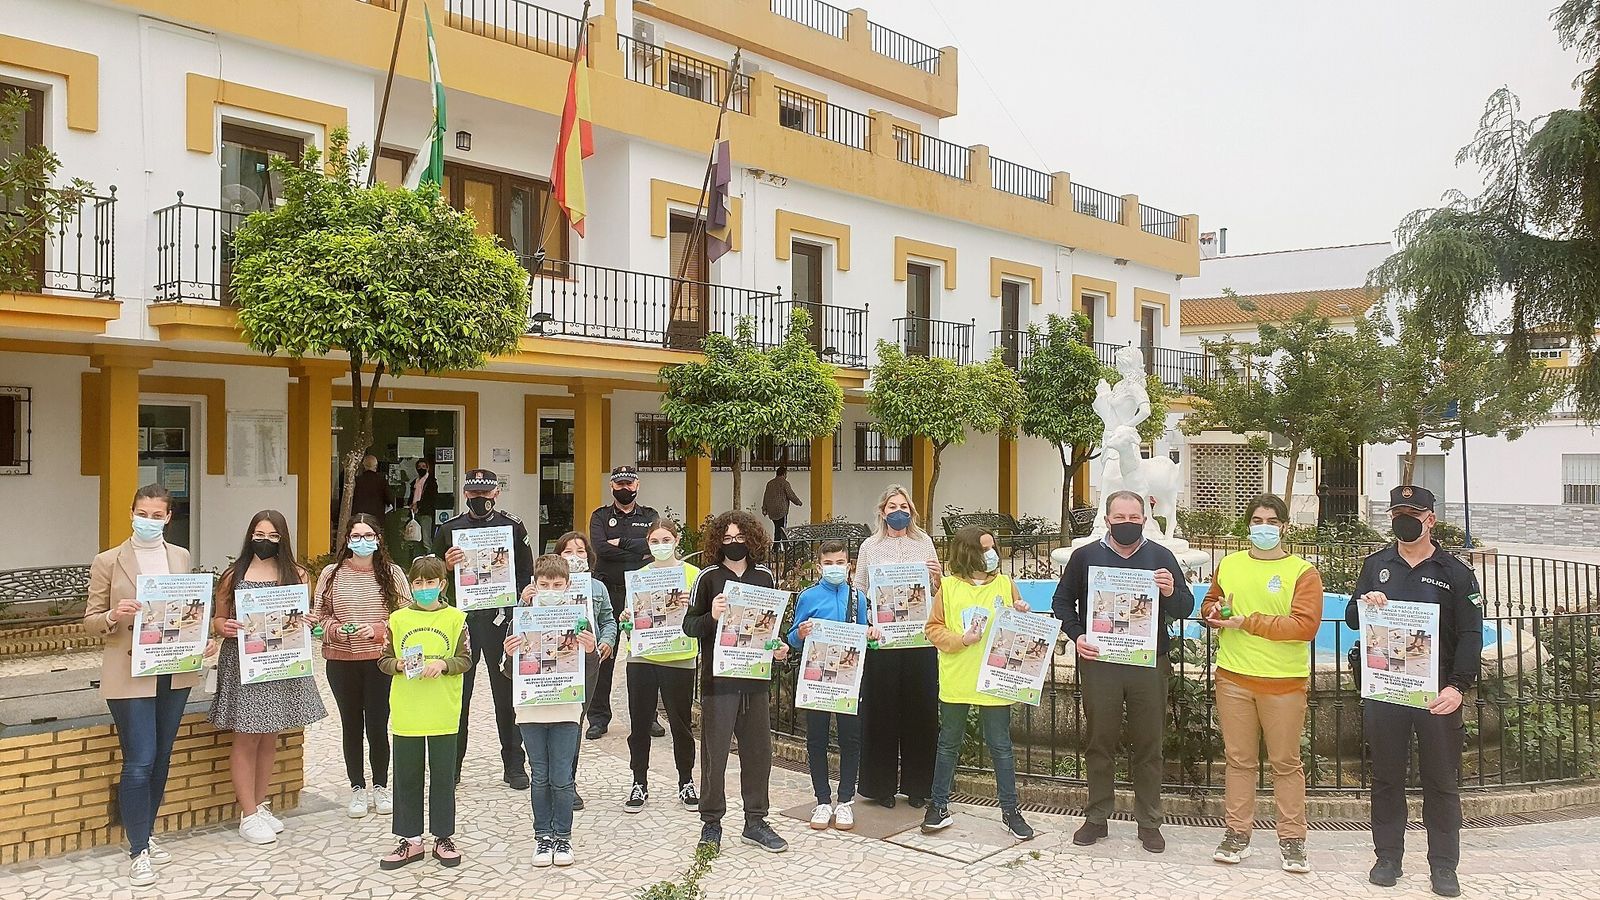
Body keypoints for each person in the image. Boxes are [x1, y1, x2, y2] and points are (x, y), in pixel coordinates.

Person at [1344, 485, 1483, 899]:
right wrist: (1366, 602)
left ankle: (1443, 866)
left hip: (1436, 693)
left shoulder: (1455, 572)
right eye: (1397, 513)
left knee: (1441, 781)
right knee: (1386, 778)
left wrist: (1459, 687)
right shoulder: (1376, 564)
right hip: (1387, 690)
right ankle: (1387, 857)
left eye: (1413, 512)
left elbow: (1472, 633)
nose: (1404, 519)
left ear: (1430, 520)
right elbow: (1352, 616)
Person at [1053, 489, 1191, 853]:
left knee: (1150, 743)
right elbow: (1061, 601)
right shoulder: (1086, 557)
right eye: (1120, 518)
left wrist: (1171, 590)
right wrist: (1078, 634)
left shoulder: (1161, 556)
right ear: (1107, 519)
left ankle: (1149, 822)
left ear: (1144, 519)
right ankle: (1097, 817)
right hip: (1101, 662)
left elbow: (1185, 607)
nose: (1127, 524)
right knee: (1100, 741)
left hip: (1148, 663)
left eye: (1134, 518)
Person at [1199, 494, 1321, 873]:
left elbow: (1305, 626)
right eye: (1256, 520)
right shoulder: (1230, 564)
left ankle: (1292, 840)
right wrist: (1213, 613)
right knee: (1239, 761)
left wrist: (1248, 622)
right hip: (1233, 678)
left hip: (1283, 683)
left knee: (1286, 763)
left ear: (1284, 526)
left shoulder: (1303, 572)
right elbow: (1210, 604)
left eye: (1271, 520)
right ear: (1248, 525)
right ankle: (1237, 834)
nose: (1263, 527)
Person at [85, 484, 200, 888]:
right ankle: (138, 852)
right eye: (142, 513)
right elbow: (90, 620)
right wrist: (115, 614)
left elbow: (187, 607)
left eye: (157, 515)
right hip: (130, 668)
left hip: (173, 667)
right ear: (131, 512)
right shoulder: (108, 560)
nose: (148, 521)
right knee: (139, 759)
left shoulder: (180, 557)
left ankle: (146, 834)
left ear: (168, 517)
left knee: (162, 756)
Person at [209, 509, 327, 845]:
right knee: (247, 735)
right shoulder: (234, 575)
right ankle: (247, 813)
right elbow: (218, 620)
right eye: (260, 535)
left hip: (281, 661)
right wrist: (224, 627)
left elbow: (307, 617)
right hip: (244, 662)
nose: (266, 541)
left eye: (273, 536)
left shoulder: (298, 575)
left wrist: (307, 621)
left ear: (283, 539)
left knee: (270, 734)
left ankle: (260, 804)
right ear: (250, 536)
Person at [681, 511, 790, 853]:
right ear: (718, 542)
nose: (734, 544)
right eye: (726, 539)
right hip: (719, 681)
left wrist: (780, 647)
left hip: (755, 680)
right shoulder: (708, 577)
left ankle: (755, 820)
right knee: (715, 754)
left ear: (752, 539)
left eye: (739, 537)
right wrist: (711, 616)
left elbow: (772, 629)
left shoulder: (765, 577)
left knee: (759, 752)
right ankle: (711, 823)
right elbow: (689, 625)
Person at [922, 527, 1037, 840]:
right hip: (958, 678)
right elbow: (932, 629)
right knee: (948, 744)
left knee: (1001, 746)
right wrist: (961, 639)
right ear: (968, 552)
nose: (992, 554)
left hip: (995, 682)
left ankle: (1010, 811)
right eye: (985, 548)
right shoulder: (948, 588)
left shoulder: (1004, 584)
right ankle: (938, 806)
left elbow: (1019, 632)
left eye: (993, 547)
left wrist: (1022, 612)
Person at [433, 468, 536, 790]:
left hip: (500, 620)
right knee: (456, 696)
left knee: (506, 696)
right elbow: (430, 577)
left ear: (496, 493)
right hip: (461, 621)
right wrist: (446, 566)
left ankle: (514, 765)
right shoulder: (449, 529)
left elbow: (525, 573)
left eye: (486, 493)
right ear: (465, 494)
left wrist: (521, 605)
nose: (480, 499)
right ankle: (452, 766)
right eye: (474, 494)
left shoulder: (512, 526)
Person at [502, 555, 597, 867]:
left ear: (568, 585)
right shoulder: (521, 619)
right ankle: (543, 837)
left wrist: (590, 649)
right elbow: (507, 671)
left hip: (567, 708)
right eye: (545, 585)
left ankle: (563, 837)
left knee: (562, 776)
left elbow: (590, 670)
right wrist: (510, 653)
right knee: (539, 775)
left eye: (557, 585)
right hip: (531, 710)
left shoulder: (579, 621)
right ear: (535, 585)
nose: (551, 589)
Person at [315, 513, 411, 819]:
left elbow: (407, 615)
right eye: (356, 536)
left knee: (378, 724)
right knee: (351, 725)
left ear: (379, 539)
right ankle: (357, 787)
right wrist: (333, 630)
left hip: (379, 662)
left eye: (368, 536)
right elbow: (319, 614)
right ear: (346, 540)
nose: (362, 542)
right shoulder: (331, 574)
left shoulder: (392, 573)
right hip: (342, 661)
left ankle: (381, 785)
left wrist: (380, 629)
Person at [377, 557, 470, 869]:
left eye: (431, 583)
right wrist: (399, 665)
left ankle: (443, 836)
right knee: (406, 776)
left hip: (443, 710)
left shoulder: (456, 618)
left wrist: (443, 664)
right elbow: (384, 660)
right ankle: (410, 839)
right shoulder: (398, 619)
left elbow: (465, 659)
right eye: (419, 583)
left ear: (441, 585)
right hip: (408, 711)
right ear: (411, 586)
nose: (425, 588)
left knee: (443, 776)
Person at [853, 485, 941, 809]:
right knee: (881, 712)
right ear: (882, 511)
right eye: (892, 506)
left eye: (904, 505)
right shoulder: (869, 547)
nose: (898, 511)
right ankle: (881, 787)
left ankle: (919, 786)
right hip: (884, 640)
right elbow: (860, 590)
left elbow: (937, 591)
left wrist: (938, 575)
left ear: (912, 511)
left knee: (921, 711)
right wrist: (867, 625)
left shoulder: (924, 543)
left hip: (919, 639)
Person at [786, 540, 878, 831]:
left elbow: (864, 637)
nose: (834, 568)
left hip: (849, 679)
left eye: (840, 563)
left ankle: (846, 800)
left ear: (849, 565)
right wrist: (800, 633)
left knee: (851, 739)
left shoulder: (858, 598)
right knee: (816, 739)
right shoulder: (808, 597)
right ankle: (823, 800)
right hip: (817, 679)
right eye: (829, 563)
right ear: (819, 566)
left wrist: (871, 634)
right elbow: (792, 638)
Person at [620, 518, 701, 813]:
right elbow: (630, 618)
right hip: (642, 657)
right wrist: (626, 619)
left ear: (677, 541)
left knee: (681, 725)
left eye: (666, 540)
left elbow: (704, 617)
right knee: (639, 723)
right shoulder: (639, 577)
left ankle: (686, 782)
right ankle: (639, 782)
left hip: (679, 656)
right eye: (655, 541)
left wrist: (689, 604)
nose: (661, 546)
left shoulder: (693, 575)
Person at [545, 532, 620, 810]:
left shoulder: (597, 588)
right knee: (548, 724)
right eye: (567, 552)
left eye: (580, 552)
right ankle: (547, 779)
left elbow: (608, 619)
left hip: (585, 665)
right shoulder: (545, 587)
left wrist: (606, 641)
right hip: (550, 667)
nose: (574, 557)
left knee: (573, 724)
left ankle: (568, 784)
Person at [586, 465, 659, 739]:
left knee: (645, 654)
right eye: (620, 485)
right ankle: (598, 718)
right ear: (612, 487)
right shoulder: (600, 516)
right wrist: (635, 550)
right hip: (608, 591)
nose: (625, 489)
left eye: (629, 484)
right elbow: (600, 549)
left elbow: (651, 547)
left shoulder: (649, 515)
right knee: (605, 654)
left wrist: (621, 542)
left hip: (641, 593)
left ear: (637, 485)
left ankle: (648, 716)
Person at [761, 465, 802, 543]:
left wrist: (764, 508)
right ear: (784, 474)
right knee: (781, 530)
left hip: (772, 511)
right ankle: (778, 548)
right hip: (781, 511)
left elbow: (766, 496)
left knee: (777, 528)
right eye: (786, 474)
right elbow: (790, 495)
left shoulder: (770, 483)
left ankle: (777, 547)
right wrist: (798, 502)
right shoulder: (785, 483)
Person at [409, 459, 439, 543]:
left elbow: (430, 498)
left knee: (426, 539)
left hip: (426, 513)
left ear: (427, 468)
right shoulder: (415, 482)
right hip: (414, 513)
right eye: (419, 467)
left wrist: (418, 504)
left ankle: (429, 555)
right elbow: (412, 495)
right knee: (415, 537)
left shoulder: (431, 482)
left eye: (423, 467)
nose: (421, 469)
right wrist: (411, 504)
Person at [352, 453, 389, 521]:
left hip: (360, 515)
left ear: (364, 465)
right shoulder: (381, 480)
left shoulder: (357, 480)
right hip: (376, 515)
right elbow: (389, 498)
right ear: (376, 466)